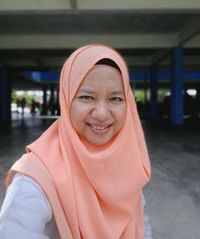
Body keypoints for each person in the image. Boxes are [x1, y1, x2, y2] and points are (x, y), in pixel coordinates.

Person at [0, 44, 152, 239]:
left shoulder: (125, 164)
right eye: (87, 97)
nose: (101, 113)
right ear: (67, 99)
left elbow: (141, 224)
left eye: (115, 98)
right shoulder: (37, 174)